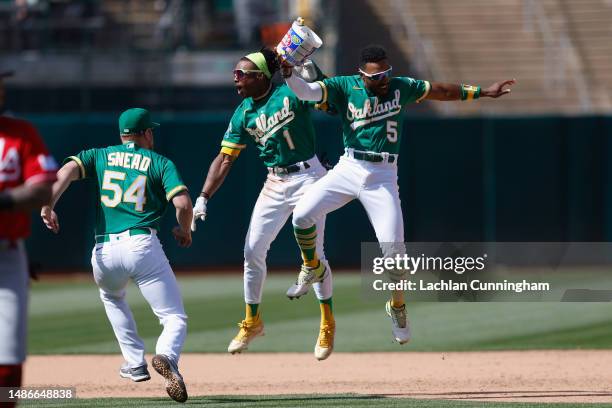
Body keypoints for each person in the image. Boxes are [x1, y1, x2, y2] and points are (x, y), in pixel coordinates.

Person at [282, 45, 515, 344]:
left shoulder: (401, 87)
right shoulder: (343, 86)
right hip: (349, 166)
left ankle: (397, 305)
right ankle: (312, 267)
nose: (384, 80)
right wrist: (288, 73)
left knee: (396, 258)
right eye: (377, 76)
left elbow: (442, 90)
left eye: (386, 73)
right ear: (362, 75)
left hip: (383, 177)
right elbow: (306, 92)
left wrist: (482, 92)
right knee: (301, 216)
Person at [192, 48, 335, 360]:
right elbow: (225, 158)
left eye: (242, 74)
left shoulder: (289, 91)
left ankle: (327, 322)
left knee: (314, 253)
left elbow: (325, 94)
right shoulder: (243, 111)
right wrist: (203, 196)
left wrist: (306, 67)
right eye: (235, 74)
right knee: (252, 250)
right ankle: (252, 321)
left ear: (261, 76)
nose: (236, 79)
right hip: (275, 181)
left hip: (309, 176)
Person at [40, 108, 192, 403]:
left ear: (122, 134)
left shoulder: (99, 155)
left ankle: (134, 363)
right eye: (152, 131)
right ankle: (168, 357)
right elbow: (183, 204)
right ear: (147, 133)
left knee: (112, 297)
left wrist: (48, 205)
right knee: (173, 317)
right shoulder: (159, 161)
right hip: (141, 245)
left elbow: (66, 172)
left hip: (103, 251)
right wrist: (184, 230)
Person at [0, 69, 57, 408]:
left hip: (7, 255)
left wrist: (3, 200)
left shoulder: (21, 133)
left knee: (7, 361)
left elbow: (42, 188)